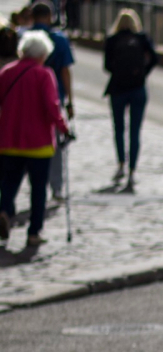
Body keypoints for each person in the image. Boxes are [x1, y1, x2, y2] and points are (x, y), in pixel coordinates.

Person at [0, 30, 70, 248]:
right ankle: (33, 232)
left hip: (9, 140)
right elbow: (52, 106)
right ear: (42, 54)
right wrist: (63, 128)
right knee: (38, 189)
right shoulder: (44, 74)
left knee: (9, 183)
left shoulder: (6, 72)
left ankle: (3, 211)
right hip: (38, 142)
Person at [103, 9, 157, 191]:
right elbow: (155, 58)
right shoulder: (142, 38)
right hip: (137, 88)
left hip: (118, 88)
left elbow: (107, 66)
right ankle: (133, 169)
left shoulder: (112, 40)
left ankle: (120, 164)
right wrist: (142, 73)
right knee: (135, 131)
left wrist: (119, 72)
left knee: (119, 128)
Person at [29, 2, 71, 205]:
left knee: (25, 148)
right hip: (53, 101)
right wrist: (70, 100)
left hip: (25, 102)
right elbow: (65, 71)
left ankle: (27, 189)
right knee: (55, 147)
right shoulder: (59, 39)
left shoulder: (23, 38)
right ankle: (56, 187)